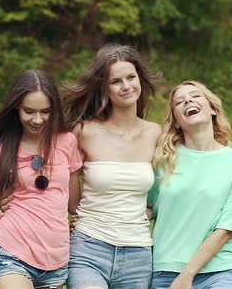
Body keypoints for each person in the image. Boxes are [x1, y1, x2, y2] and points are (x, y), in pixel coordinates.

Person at [62, 44, 161, 289]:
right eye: (116, 81)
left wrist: (150, 211)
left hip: (138, 253)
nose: (126, 86)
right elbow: (67, 197)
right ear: (103, 88)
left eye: (131, 77)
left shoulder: (155, 133)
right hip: (89, 247)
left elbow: (168, 189)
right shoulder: (84, 131)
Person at [0, 69, 82, 289]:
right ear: (16, 107)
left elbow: (74, 205)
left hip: (56, 261)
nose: (37, 119)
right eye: (29, 111)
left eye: (45, 111)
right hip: (11, 252)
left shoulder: (67, 141)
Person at [150, 81, 232, 289]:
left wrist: (187, 274)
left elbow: (227, 228)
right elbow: (144, 208)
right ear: (176, 121)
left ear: (213, 109)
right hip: (165, 271)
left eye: (196, 96)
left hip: (218, 272)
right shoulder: (162, 161)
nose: (188, 100)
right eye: (179, 102)